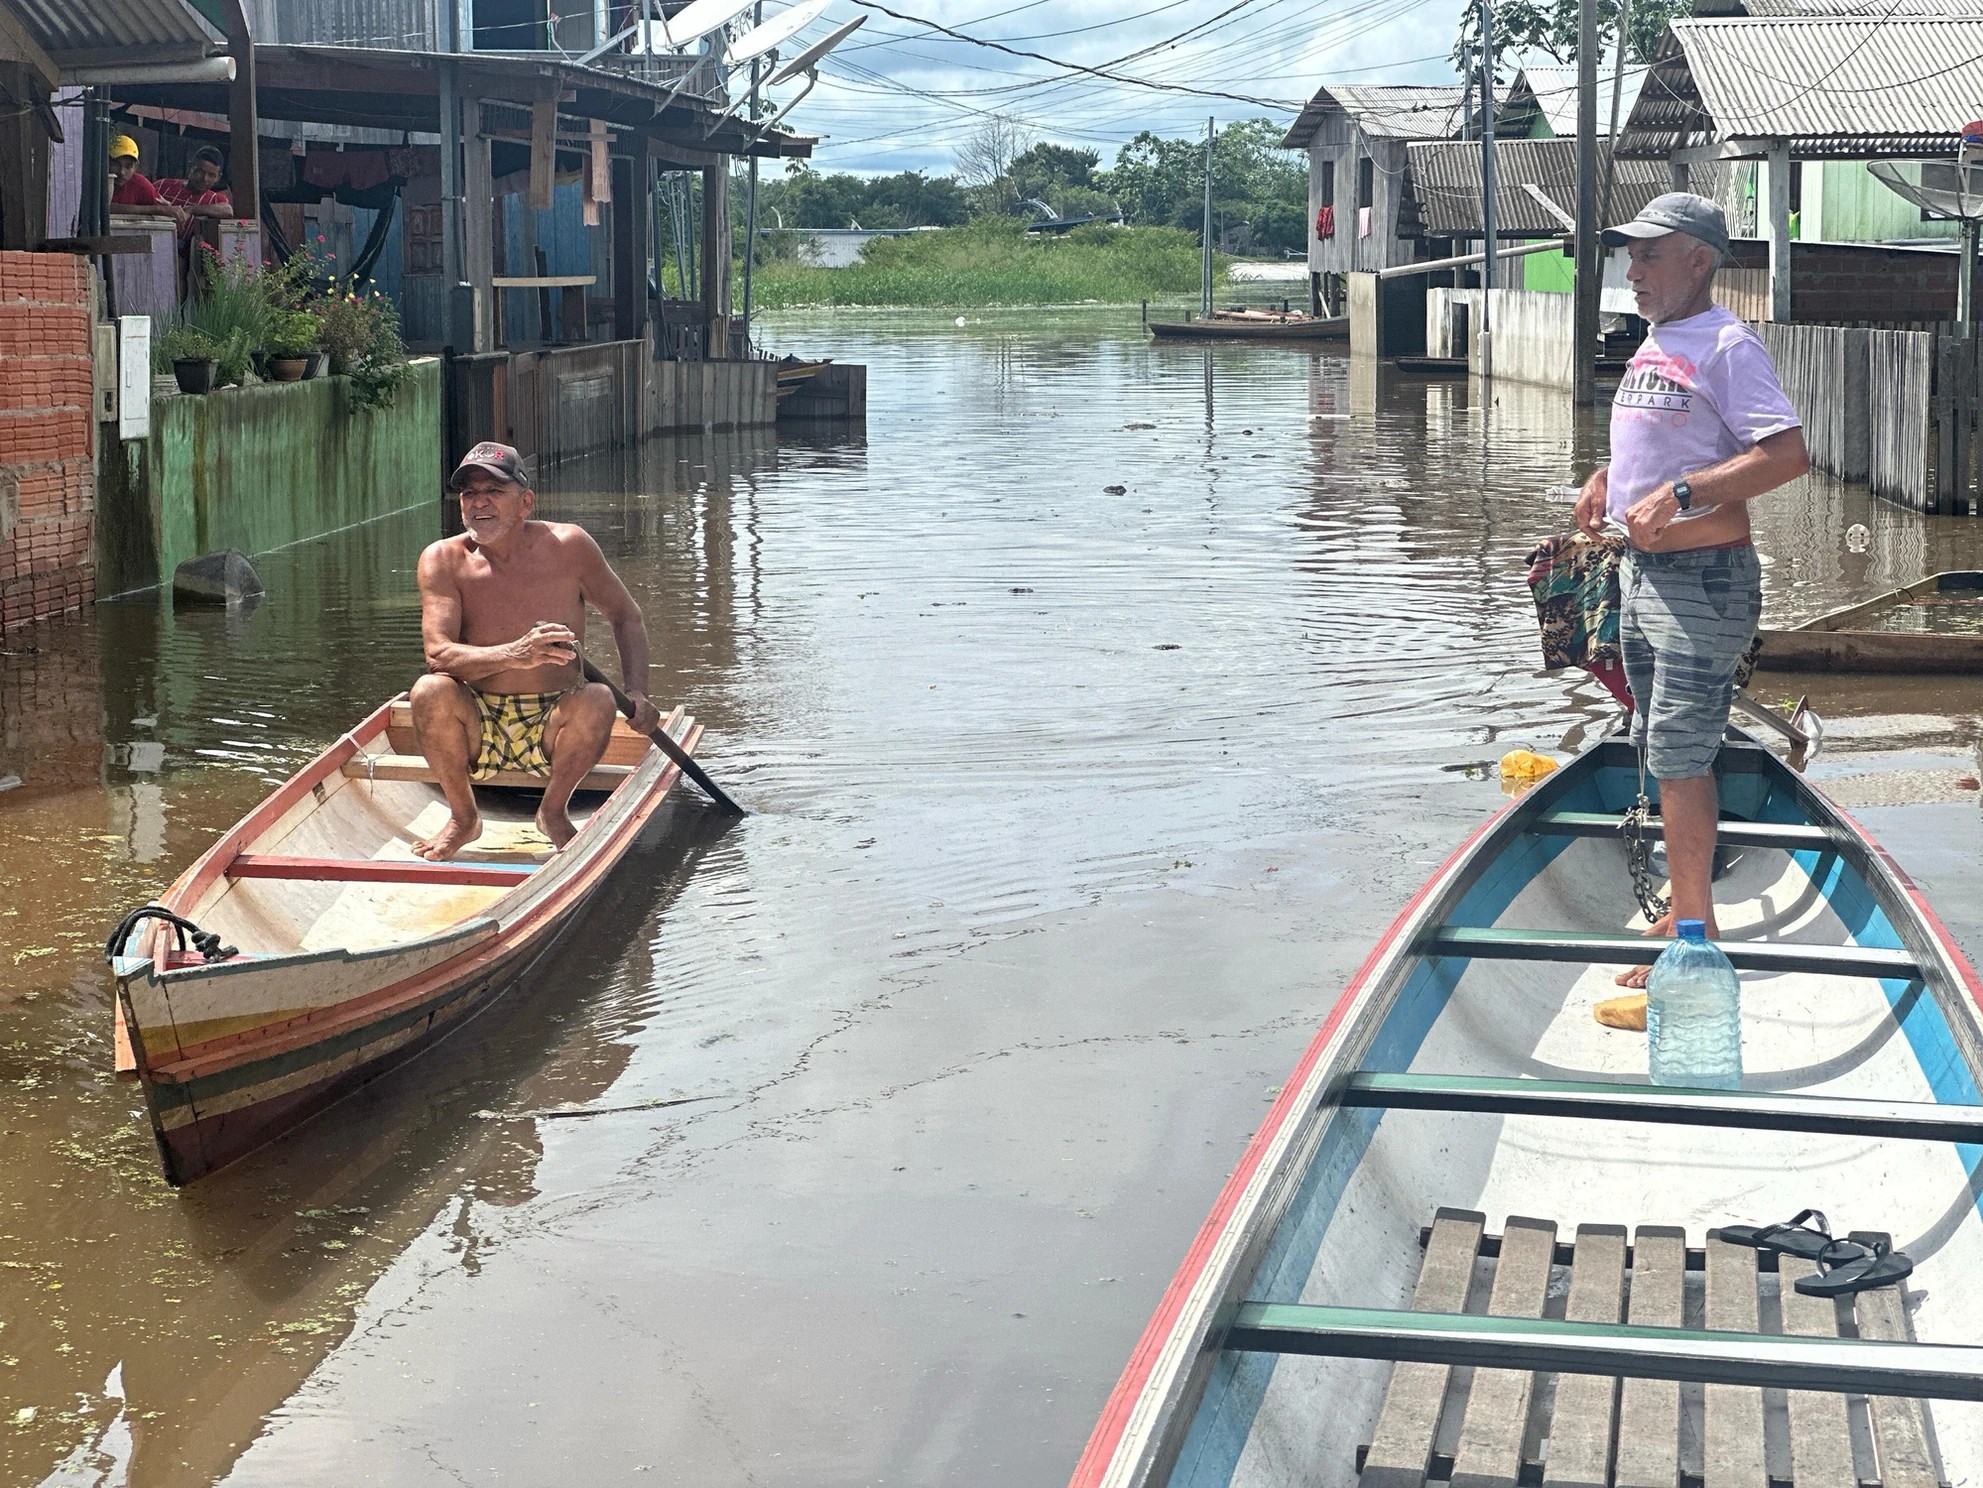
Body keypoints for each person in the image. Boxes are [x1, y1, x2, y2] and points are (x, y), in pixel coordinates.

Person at [1572, 193, 1810, 1012]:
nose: (1630, 272)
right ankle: (1683, 900)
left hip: (1701, 581)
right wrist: (1610, 480)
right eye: (1627, 257)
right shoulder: (1656, 341)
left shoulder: (1726, 344)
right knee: (1654, 738)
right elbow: (1663, 437)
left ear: (1698, 259)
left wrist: (1676, 492)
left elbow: (1784, 455)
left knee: (1676, 749)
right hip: (1640, 575)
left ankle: (1693, 937)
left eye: (1648, 256)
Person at [411, 442, 662, 861]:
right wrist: (514, 655)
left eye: (493, 490)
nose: (479, 503)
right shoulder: (443, 559)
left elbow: (626, 617)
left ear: (525, 502)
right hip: (477, 718)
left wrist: (637, 692)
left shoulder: (570, 546)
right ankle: (464, 817)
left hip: (555, 723)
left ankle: (552, 812)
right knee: (428, 691)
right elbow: (438, 654)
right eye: (469, 493)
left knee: (600, 698)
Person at [108, 135, 186, 228]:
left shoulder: (140, 183)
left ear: (136, 167)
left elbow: (165, 209)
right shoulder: (95, 179)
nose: (122, 172)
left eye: (128, 166)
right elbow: (103, 208)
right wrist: (155, 209)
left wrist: (167, 209)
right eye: (116, 165)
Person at [156, 146, 234, 238]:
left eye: (211, 175)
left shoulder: (216, 199)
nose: (205, 179)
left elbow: (228, 211)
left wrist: (191, 210)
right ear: (190, 167)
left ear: (218, 178)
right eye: (200, 172)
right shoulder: (163, 185)